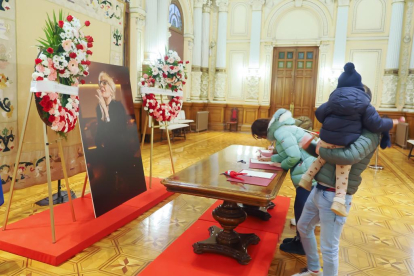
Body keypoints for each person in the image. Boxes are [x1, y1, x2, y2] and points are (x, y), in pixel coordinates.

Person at [298, 63, 403, 217]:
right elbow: (377, 123)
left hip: (329, 177)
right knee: (342, 171)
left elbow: (347, 156)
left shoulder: (335, 104)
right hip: (324, 182)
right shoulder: (366, 109)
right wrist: (392, 122)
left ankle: (309, 180)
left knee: (323, 160)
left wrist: (320, 147)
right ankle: (337, 200)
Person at [292, 129, 380, 276]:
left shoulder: (371, 133)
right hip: (318, 188)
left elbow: (348, 156)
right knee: (303, 227)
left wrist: (321, 148)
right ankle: (314, 269)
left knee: (329, 247)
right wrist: (310, 146)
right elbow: (325, 151)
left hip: (336, 197)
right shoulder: (347, 123)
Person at [251, 108, 316, 255]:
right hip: (307, 169)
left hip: (307, 171)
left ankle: (302, 246)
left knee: (302, 208)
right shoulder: (282, 128)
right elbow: (285, 153)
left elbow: (293, 156)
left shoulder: (281, 132)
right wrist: (271, 160)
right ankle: (299, 240)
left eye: (260, 137)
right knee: (301, 207)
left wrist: (281, 165)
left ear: (262, 133)